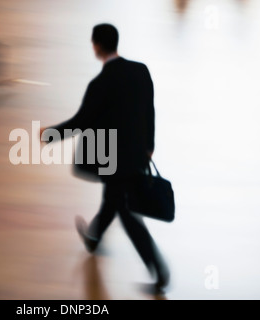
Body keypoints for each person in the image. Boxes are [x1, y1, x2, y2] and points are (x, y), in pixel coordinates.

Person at [40, 24, 170, 293]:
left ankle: (160, 272)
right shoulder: (140, 70)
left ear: (96, 46)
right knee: (113, 200)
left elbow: (82, 121)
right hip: (136, 154)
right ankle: (94, 238)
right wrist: (149, 145)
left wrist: (50, 134)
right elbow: (150, 109)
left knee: (128, 214)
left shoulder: (100, 84)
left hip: (113, 158)